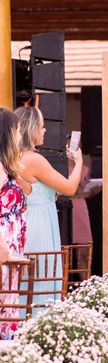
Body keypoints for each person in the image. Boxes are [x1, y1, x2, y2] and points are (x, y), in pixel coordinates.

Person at [16, 106, 83, 309]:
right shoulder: (35, 160)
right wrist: (78, 161)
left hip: (27, 223)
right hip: (40, 227)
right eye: (42, 127)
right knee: (42, 281)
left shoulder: (15, 158)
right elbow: (70, 188)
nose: (45, 131)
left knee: (27, 285)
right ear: (32, 129)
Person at [0, 108, 28, 337]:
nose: (20, 136)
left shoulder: (6, 168)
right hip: (4, 251)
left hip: (10, 250)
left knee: (10, 308)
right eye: (18, 131)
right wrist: (4, 251)